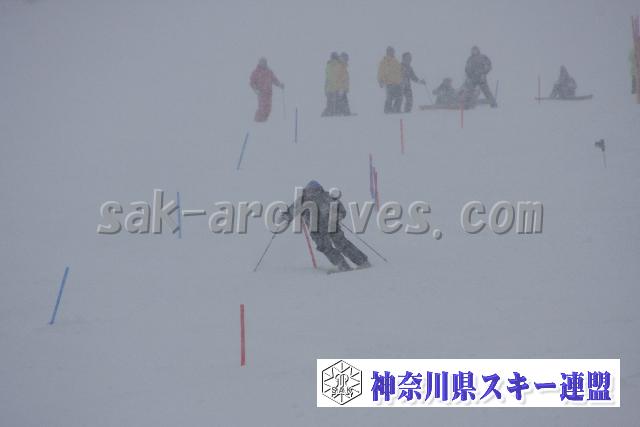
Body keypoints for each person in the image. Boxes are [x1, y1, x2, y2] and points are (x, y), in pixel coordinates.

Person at [280, 181, 370, 272]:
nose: (312, 193)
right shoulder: (303, 200)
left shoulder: (327, 197)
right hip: (316, 230)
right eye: (310, 191)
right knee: (326, 247)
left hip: (331, 225)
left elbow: (341, 210)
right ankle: (343, 265)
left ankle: (362, 262)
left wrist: (338, 215)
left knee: (341, 244)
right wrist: (285, 217)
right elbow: (292, 211)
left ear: (319, 190)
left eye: (315, 190)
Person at [250, 58, 284, 122]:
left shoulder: (269, 72)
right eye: (262, 63)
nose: (263, 64)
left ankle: (265, 120)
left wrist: (280, 85)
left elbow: (274, 79)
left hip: (269, 93)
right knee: (262, 107)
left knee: (268, 108)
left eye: (264, 63)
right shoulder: (256, 72)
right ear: (259, 63)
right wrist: (256, 90)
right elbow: (252, 82)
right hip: (261, 93)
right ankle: (257, 120)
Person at [377, 46, 403, 113]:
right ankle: (387, 110)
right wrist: (380, 80)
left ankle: (396, 109)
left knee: (399, 97)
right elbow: (381, 72)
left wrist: (401, 80)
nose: (392, 52)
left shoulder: (396, 61)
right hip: (389, 83)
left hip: (397, 82)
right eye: (390, 51)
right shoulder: (384, 61)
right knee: (390, 98)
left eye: (393, 51)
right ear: (387, 52)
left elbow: (399, 71)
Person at [322, 52, 341, 117]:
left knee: (329, 102)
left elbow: (327, 77)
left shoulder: (328, 65)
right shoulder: (338, 65)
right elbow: (338, 77)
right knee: (336, 102)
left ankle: (328, 112)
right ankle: (334, 112)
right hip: (335, 88)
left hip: (329, 88)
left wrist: (325, 88)